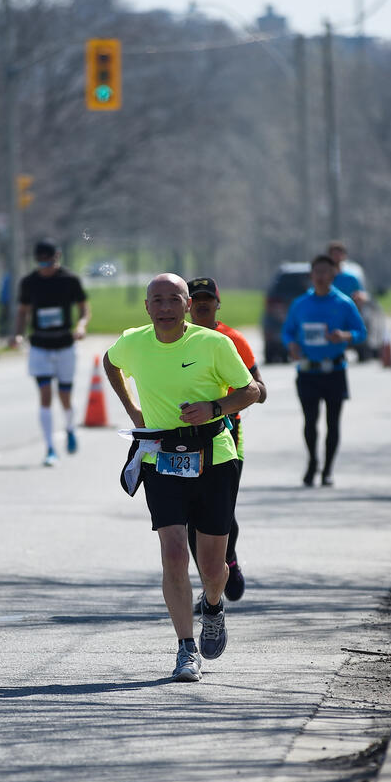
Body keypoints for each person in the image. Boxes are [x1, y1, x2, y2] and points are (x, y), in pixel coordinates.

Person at [103, 273, 260, 683]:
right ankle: (186, 650)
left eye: (174, 299)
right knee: (173, 552)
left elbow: (252, 390)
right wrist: (134, 413)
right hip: (161, 460)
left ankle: (212, 607)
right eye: (158, 300)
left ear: (188, 305)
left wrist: (215, 407)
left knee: (212, 566)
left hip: (214, 458)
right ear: (147, 306)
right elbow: (109, 361)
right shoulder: (134, 342)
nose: (166, 307)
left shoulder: (214, 344)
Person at [186, 276, 267, 605]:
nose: (202, 302)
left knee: (221, 512)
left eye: (208, 297)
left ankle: (227, 561)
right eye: (196, 297)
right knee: (191, 515)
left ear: (218, 303)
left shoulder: (232, 340)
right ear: (187, 304)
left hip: (226, 436)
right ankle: (209, 581)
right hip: (183, 439)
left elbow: (260, 390)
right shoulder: (175, 339)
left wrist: (226, 401)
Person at [282, 254, 367, 487]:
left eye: (325, 272)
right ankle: (312, 462)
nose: (320, 277)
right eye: (317, 272)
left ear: (333, 275)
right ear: (311, 275)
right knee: (310, 422)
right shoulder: (300, 304)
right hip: (308, 371)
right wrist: (291, 344)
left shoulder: (343, 303)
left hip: (334, 370)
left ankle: (328, 469)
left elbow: (361, 332)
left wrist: (345, 335)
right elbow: (287, 331)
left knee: (333, 422)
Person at [10, 239, 90, 467]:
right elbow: (22, 312)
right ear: (36, 260)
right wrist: (17, 334)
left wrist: (81, 325)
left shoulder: (69, 280)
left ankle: (70, 427)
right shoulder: (29, 282)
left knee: (65, 396)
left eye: (50, 260)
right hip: (40, 346)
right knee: (45, 395)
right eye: (41, 260)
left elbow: (83, 307)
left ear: (57, 257)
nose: (46, 265)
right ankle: (50, 448)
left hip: (65, 344)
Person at [327, 240, 369, 306]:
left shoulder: (351, 278)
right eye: (334, 254)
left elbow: (362, 295)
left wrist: (360, 298)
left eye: (339, 254)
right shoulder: (324, 279)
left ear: (344, 256)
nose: (337, 257)